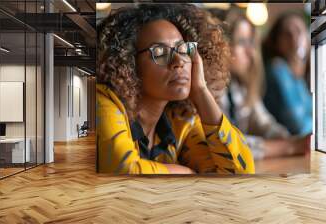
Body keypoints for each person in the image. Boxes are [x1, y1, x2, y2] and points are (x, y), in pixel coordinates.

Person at [96, 4, 255, 174]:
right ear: (128, 63)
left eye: (184, 49)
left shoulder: (180, 121)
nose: (179, 60)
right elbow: (123, 171)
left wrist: (201, 91)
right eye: (160, 52)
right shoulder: (102, 102)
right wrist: (186, 173)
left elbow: (240, 173)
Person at [209, 7, 307, 159]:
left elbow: (262, 122)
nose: (251, 52)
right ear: (220, 44)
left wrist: (284, 137)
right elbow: (225, 144)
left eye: (251, 42)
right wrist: (289, 146)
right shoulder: (208, 90)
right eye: (241, 42)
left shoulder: (238, 86)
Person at [262, 12, 312, 136]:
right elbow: (297, 125)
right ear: (277, 42)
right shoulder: (277, 68)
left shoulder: (299, 73)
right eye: (287, 34)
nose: (294, 38)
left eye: (299, 31)